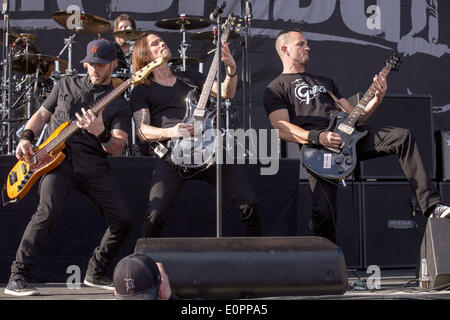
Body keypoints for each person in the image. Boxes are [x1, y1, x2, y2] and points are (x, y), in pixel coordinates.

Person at [263, 29, 450, 244]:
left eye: (307, 43)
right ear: (284, 49)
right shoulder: (275, 88)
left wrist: (377, 99)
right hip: (319, 150)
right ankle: (327, 267)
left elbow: (355, 117)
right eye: (301, 44)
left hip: (350, 138)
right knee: (324, 211)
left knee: (402, 137)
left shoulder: (325, 82)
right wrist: (318, 137)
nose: (308, 47)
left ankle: (432, 206)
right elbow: (281, 127)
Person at [4, 39, 134, 296]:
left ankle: (96, 271)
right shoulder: (64, 85)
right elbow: (42, 115)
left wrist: (101, 133)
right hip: (55, 162)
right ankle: (17, 278)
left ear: (113, 65)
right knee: (46, 212)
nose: (94, 69)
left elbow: (117, 146)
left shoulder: (118, 102)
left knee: (124, 220)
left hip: (93, 164)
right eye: (90, 64)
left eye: (100, 65)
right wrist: (26, 137)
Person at [130, 32, 261, 238]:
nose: (162, 42)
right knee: (156, 214)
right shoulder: (142, 90)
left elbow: (226, 93)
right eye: (155, 43)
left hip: (208, 149)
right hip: (173, 155)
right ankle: (145, 263)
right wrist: (171, 131)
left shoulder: (188, 77)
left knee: (250, 203)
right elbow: (142, 130)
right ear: (145, 56)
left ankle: (256, 256)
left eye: (161, 39)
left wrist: (232, 69)